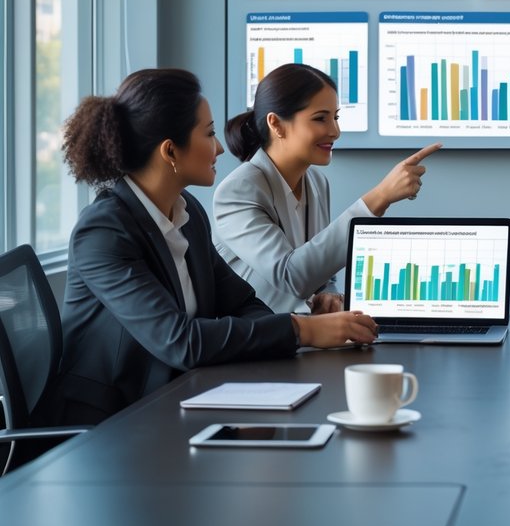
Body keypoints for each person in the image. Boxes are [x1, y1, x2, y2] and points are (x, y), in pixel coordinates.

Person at [57, 68, 378, 424]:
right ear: (170, 151)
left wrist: (291, 333)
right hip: (111, 424)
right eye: (209, 133)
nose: (221, 147)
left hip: (179, 397)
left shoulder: (188, 212)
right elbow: (180, 341)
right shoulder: (103, 232)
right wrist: (301, 330)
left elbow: (242, 303)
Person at [213, 63, 441, 313]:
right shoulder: (238, 191)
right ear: (276, 124)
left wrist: (329, 293)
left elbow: (320, 268)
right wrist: (380, 197)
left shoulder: (317, 183)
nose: (335, 131)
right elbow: (292, 276)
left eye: (336, 117)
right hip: (253, 343)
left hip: (301, 338)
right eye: (320, 118)